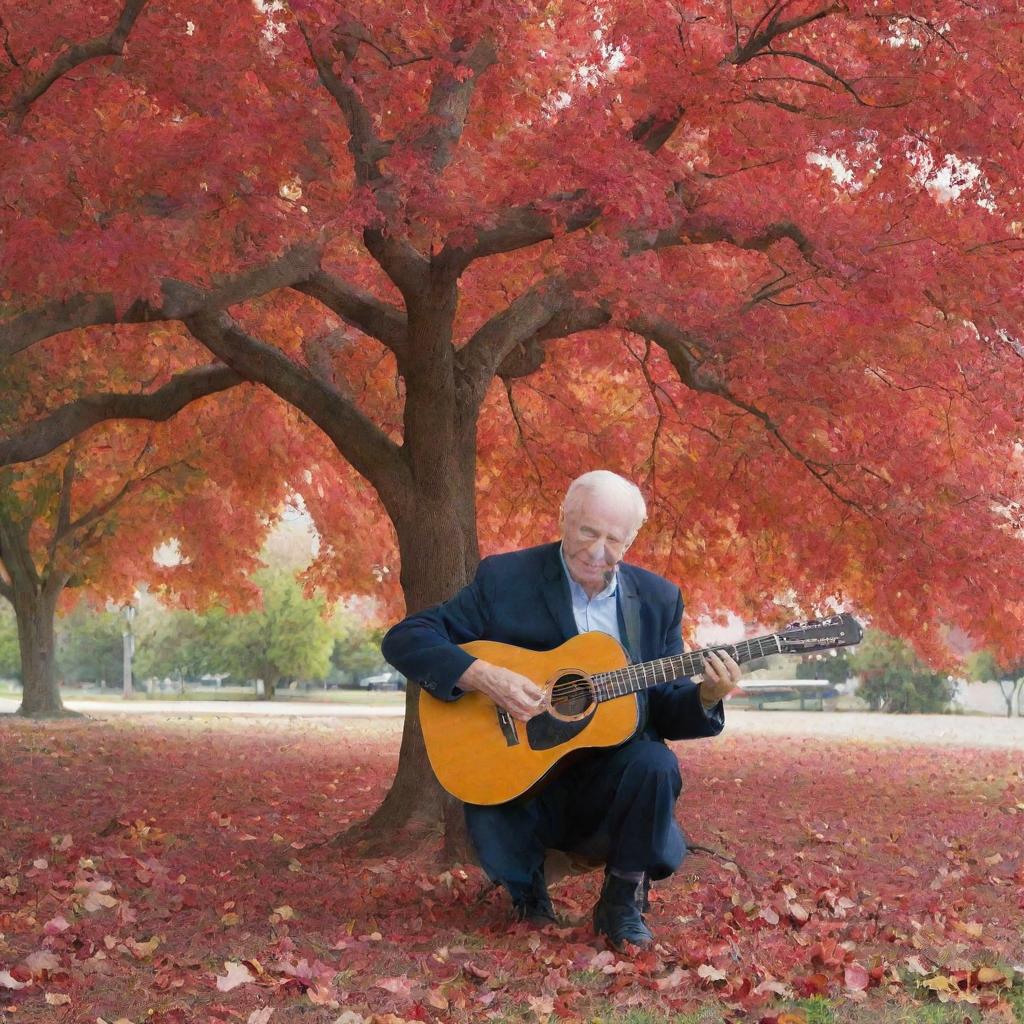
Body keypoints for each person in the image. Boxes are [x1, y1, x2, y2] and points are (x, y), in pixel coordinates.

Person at [381, 470, 741, 949]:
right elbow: (406, 638)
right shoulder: (506, 578)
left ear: (632, 540)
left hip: (608, 781)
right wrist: (483, 675)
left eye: (615, 539)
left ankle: (621, 901)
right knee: (500, 781)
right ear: (563, 519)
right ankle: (528, 894)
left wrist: (707, 697)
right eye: (588, 532)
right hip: (527, 776)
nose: (598, 551)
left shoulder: (657, 600)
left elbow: (667, 707)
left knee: (657, 762)